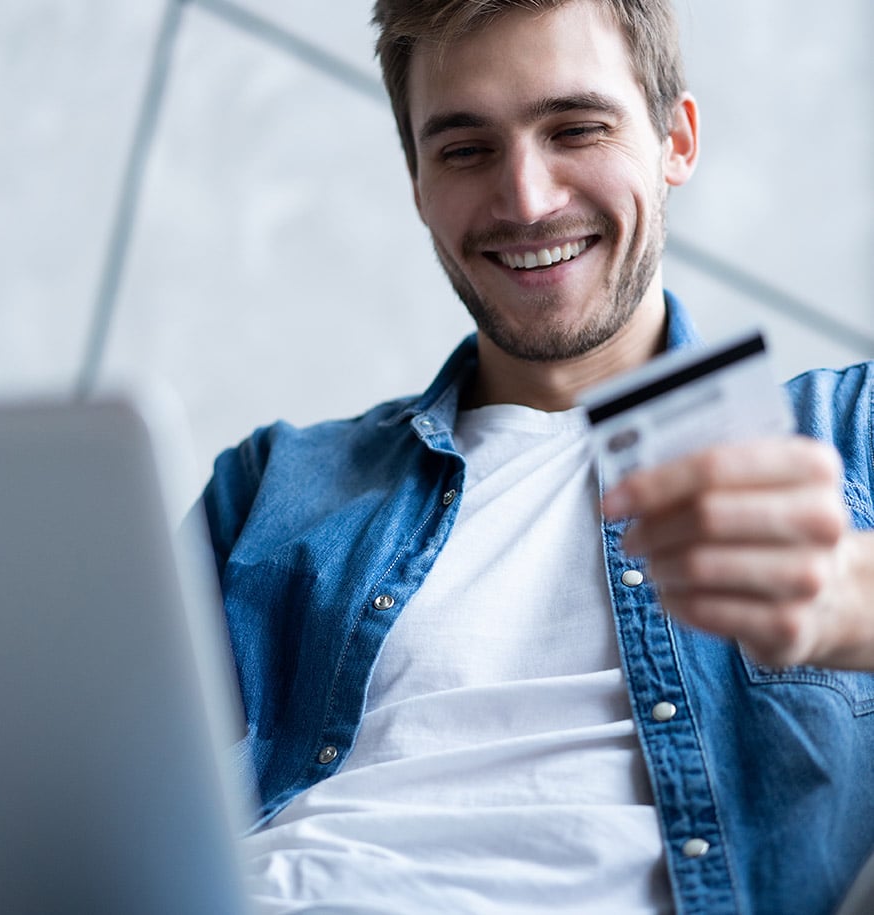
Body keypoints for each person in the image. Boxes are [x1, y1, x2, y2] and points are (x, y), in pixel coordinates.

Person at [201, 1, 874, 912]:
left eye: (577, 128)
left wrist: (853, 601)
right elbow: (78, 781)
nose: (526, 199)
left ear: (676, 139)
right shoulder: (272, 483)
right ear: (416, 180)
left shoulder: (848, 433)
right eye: (465, 150)